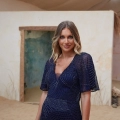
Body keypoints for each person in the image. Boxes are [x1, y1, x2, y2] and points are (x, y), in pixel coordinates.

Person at [35, 21, 99, 120]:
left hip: (70, 116)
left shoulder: (83, 60)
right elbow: (45, 93)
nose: (66, 41)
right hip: (46, 116)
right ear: (57, 39)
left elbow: (85, 95)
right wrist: (37, 118)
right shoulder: (50, 62)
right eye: (62, 37)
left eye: (70, 37)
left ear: (76, 38)